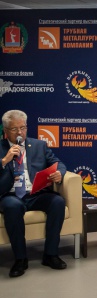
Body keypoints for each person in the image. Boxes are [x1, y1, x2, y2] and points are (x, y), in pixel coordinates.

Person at [0, 110, 68, 277]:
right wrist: (4, 161)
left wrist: (59, 173)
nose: (20, 132)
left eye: (23, 128)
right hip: (10, 195)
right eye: (14, 129)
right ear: (6, 131)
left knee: (57, 202)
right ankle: (20, 259)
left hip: (35, 194)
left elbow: (58, 163)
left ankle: (50, 254)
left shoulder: (39, 145)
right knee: (13, 207)